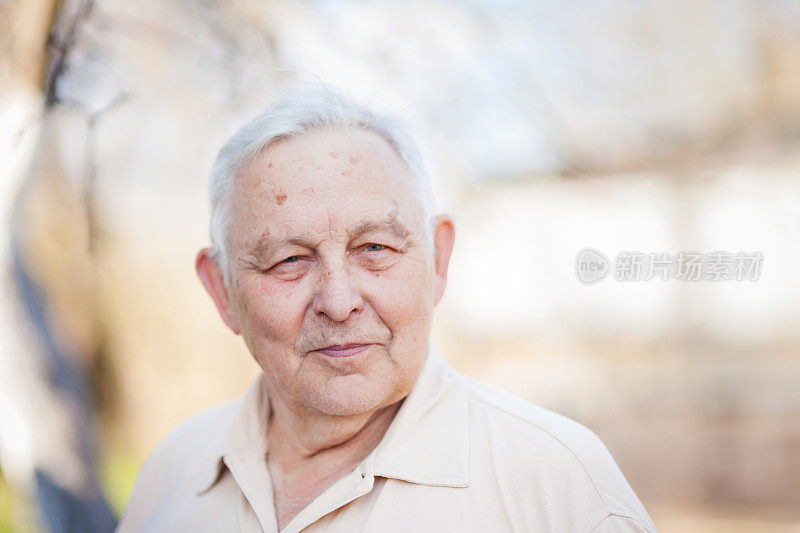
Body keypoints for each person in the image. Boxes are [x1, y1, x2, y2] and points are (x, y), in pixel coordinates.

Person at [117, 82, 658, 533]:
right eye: (288, 260)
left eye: (374, 248)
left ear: (439, 260)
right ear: (221, 291)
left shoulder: (557, 484)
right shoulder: (172, 474)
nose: (339, 301)